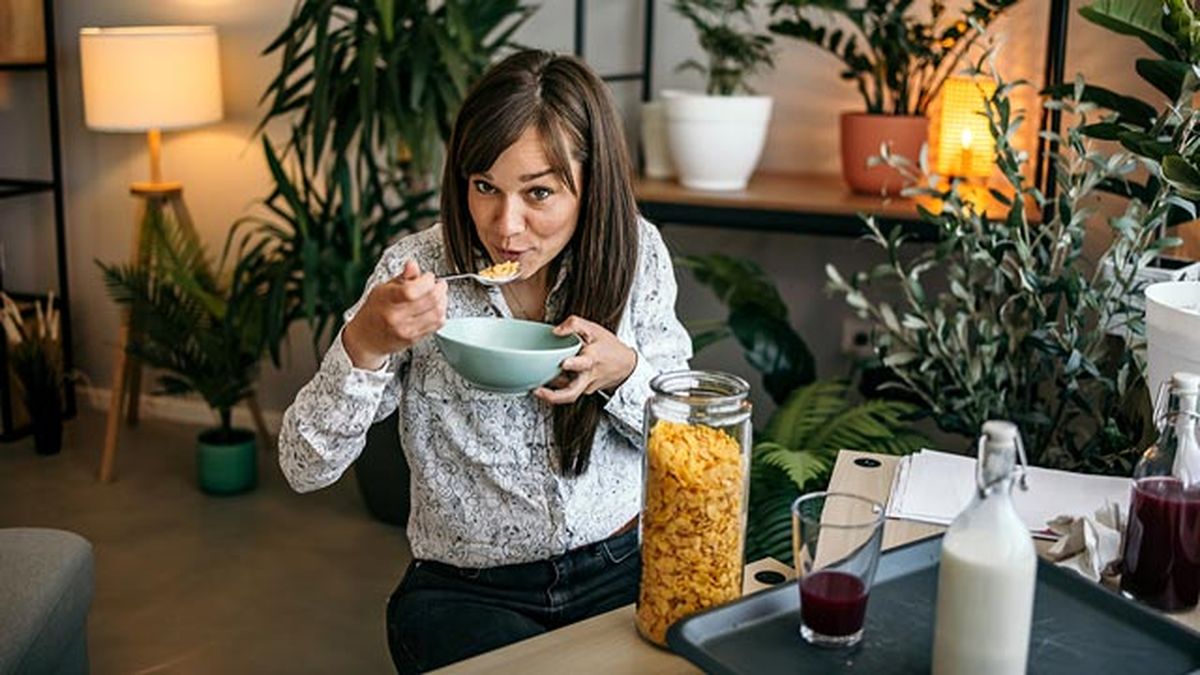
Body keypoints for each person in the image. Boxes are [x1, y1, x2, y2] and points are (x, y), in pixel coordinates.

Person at [277, 49, 692, 673]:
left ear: (592, 185)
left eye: (540, 193)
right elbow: (303, 466)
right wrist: (362, 343)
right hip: (464, 591)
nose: (506, 227)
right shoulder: (414, 273)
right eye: (485, 188)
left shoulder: (638, 255)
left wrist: (624, 372)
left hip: (620, 568)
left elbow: (690, 434)